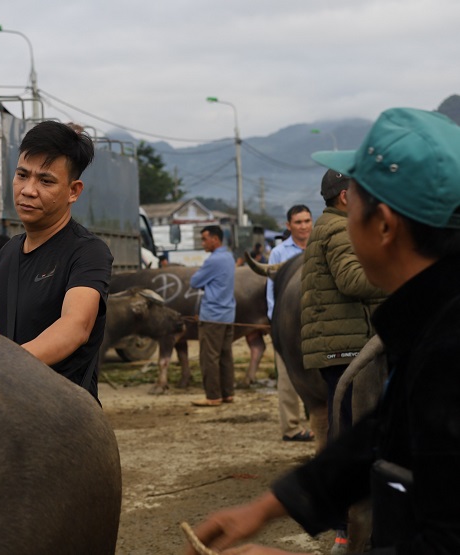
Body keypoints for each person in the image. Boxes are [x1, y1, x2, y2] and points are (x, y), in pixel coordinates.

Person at [184, 107, 460, 554]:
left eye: (354, 207)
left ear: (384, 225)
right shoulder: (430, 324)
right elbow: (380, 435)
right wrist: (271, 505)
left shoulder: (448, 354)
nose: (336, 223)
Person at [0, 121, 113, 402]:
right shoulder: (7, 254)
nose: (28, 190)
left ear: (73, 191)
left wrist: (1, 366)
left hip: (65, 417)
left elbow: (76, 326)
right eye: (22, 175)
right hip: (9, 410)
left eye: (45, 181)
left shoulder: (88, 252)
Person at [301, 169, 388, 553]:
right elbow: (353, 280)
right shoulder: (339, 230)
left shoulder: (326, 227)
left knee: (347, 433)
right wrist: (399, 279)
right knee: (353, 439)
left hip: (340, 344)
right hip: (349, 347)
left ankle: (345, 527)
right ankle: (345, 530)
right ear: (344, 198)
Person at [267, 205, 314, 442]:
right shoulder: (278, 253)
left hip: (316, 324)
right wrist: (276, 324)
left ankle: (317, 422)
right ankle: (291, 428)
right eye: (298, 222)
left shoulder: (320, 245)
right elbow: (271, 294)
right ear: (288, 226)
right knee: (287, 377)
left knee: (317, 375)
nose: (304, 226)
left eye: (307, 221)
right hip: (287, 325)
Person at [190, 225, 236, 407]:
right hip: (228, 314)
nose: (203, 243)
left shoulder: (213, 260)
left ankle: (213, 396)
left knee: (209, 357)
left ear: (215, 239)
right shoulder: (229, 257)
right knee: (226, 356)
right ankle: (228, 393)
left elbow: (194, 282)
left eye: (204, 239)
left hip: (212, 316)